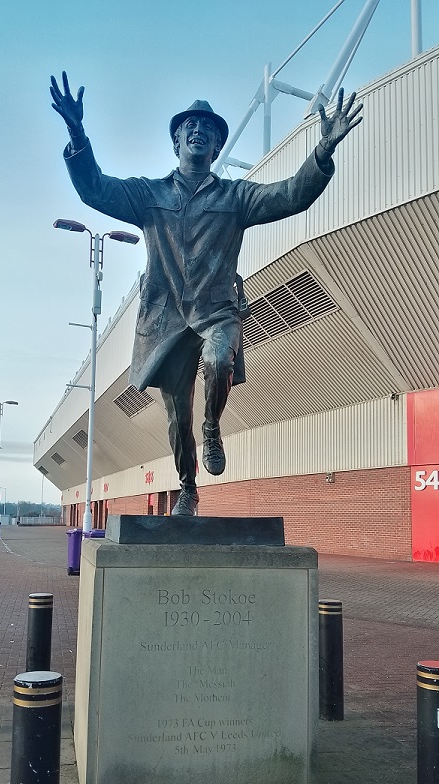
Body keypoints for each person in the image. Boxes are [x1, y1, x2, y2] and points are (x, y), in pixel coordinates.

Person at [50, 73, 362, 516]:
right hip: (167, 319)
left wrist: (322, 153)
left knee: (220, 360)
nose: (199, 132)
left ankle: (213, 425)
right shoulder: (148, 194)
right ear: (176, 142)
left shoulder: (236, 197)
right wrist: (78, 135)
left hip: (217, 312)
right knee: (178, 419)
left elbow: (292, 195)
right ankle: (189, 488)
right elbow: (94, 188)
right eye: (189, 128)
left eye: (209, 130)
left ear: (216, 148)